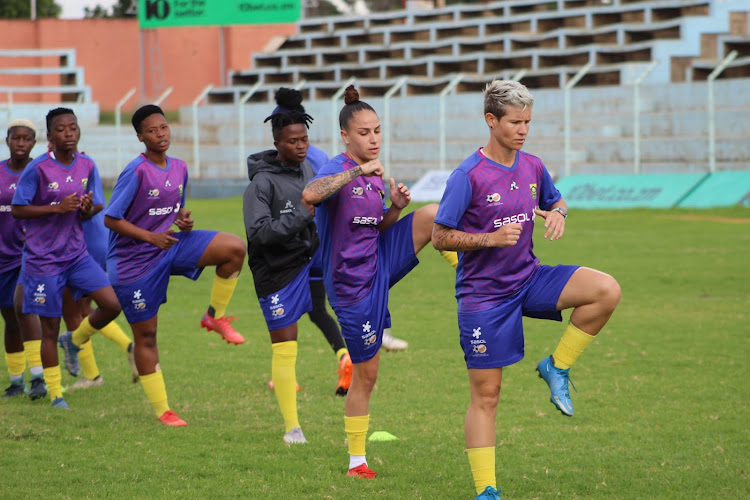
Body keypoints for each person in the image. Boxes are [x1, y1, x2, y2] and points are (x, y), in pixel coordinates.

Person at [431, 80, 621, 499]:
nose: (523, 130)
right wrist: (487, 240)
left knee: (605, 290)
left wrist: (559, 215)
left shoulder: (532, 165)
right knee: (488, 395)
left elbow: (558, 201)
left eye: (528, 122)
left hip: (529, 279)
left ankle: (557, 366)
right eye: (515, 122)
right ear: (491, 120)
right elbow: (440, 235)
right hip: (483, 297)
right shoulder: (468, 175)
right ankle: (486, 490)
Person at [302, 85, 441, 479]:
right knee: (368, 375)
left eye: (377, 130)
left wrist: (395, 207)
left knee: (431, 214)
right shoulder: (339, 166)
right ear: (346, 136)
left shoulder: (378, 177)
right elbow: (310, 194)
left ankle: (476, 271)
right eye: (364, 133)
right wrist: (357, 170)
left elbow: (376, 227)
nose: (374, 138)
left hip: (378, 261)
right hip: (351, 286)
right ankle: (356, 463)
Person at [104, 104, 247, 426]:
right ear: (140, 136)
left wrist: (183, 220)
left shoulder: (180, 167)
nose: (160, 134)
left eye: (164, 127)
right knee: (147, 336)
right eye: (152, 130)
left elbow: (176, 210)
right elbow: (111, 219)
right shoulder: (136, 171)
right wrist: (150, 238)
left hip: (170, 245)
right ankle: (163, 410)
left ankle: (214, 317)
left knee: (234, 249)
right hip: (133, 262)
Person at [11, 108, 123, 410]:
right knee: (49, 327)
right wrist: (56, 208)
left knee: (112, 304)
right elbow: (18, 209)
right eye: (61, 129)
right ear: (50, 136)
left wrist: (86, 209)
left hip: (77, 255)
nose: (69, 134)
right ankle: (56, 393)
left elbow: (95, 204)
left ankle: (72, 341)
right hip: (43, 260)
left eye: (73, 128)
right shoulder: (38, 169)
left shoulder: (87, 164)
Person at [261, 88, 353, 398]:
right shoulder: (320, 156)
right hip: (320, 246)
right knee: (316, 310)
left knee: (284, 315)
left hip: (290, 250)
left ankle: (287, 377)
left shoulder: (282, 159)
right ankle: (344, 357)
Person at [243, 95, 324, 444]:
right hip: (276, 271)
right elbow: (259, 233)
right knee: (286, 345)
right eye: (292, 141)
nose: (300, 146)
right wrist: (303, 213)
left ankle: (379, 332)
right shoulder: (261, 184)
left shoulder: (308, 168)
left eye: (303, 139)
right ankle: (292, 428)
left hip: (309, 261)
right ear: (277, 144)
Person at [59, 166, 139, 390]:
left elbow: (98, 205)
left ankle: (92, 376)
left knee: (73, 311)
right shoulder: (84, 162)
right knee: (86, 310)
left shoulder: (78, 164)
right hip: (100, 241)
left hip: (81, 245)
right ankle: (128, 347)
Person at [1, 119, 46, 400]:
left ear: (34, 142)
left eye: (26, 138)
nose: (21, 143)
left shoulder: (40, 172)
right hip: (2, 256)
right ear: (7, 140)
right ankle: (17, 382)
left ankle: (39, 377)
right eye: (15, 138)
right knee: (10, 318)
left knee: (25, 309)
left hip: (30, 255)